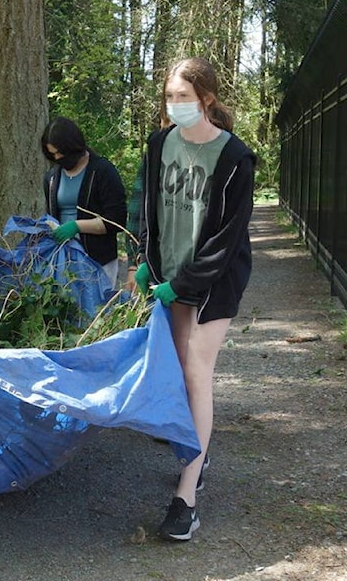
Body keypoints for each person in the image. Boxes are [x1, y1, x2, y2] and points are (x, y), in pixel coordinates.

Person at [134, 57, 256, 541]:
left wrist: (183, 284)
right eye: (169, 96)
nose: (174, 105)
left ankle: (186, 498)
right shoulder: (159, 144)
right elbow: (146, 206)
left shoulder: (234, 158)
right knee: (177, 371)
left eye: (183, 96)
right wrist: (143, 257)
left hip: (213, 282)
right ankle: (196, 452)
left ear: (205, 99)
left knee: (195, 371)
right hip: (169, 277)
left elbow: (226, 241)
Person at [42, 116, 127, 289]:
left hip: (98, 260)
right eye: (53, 155)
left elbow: (116, 221)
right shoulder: (51, 178)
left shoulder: (102, 171)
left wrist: (77, 226)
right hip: (63, 260)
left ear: (74, 147)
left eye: (61, 153)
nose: (58, 158)